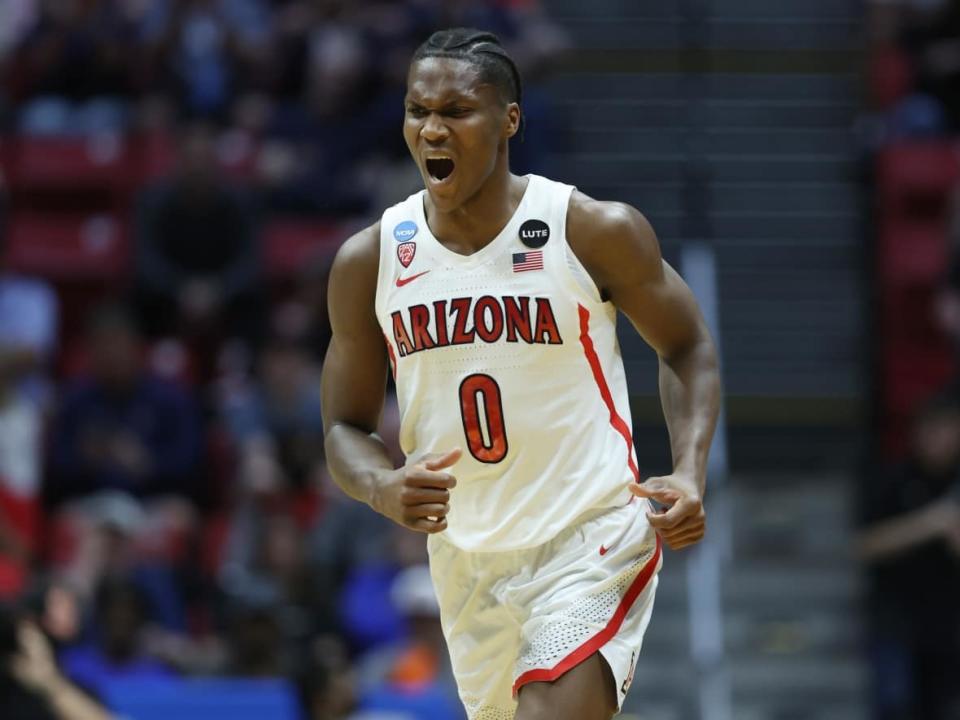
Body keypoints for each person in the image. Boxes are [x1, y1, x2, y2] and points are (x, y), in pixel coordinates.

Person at [320, 28, 720, 720]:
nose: (432, 129)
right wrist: (381, 486)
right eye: (419, 111)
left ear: (509, 120)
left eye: (456, 111)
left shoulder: (588, 229)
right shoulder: (372, 259)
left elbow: (687, 346)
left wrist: (688, 469)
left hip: (588, 537)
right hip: (466, 559)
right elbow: (344, 426)